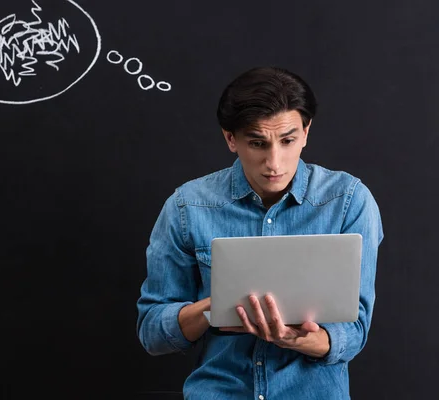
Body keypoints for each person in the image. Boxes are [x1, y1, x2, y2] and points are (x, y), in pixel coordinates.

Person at [136, 66, 384, 399]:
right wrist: (218, 307)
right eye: (257, 143)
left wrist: (293, 337)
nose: (274, 163)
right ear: (230, 139)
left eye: (288, 140)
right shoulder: (187, 207)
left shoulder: (349, 201)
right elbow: (152, 331)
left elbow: (354, 332)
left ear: (306, 132)